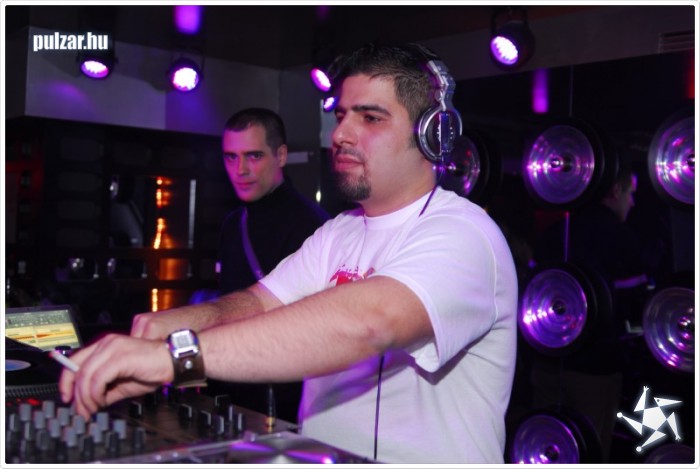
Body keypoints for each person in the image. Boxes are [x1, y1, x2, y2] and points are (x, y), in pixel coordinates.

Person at [58, 43, 519, 464]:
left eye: (370, 118)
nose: (341, 133)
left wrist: (176, 357)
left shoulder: (466, 235)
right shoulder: (338, 232)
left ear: (432, 135)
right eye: (342, 114)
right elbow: (258, 303)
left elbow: (370, 321)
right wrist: (174, 326)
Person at [211, 108, 329, 422]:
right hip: (234, 384)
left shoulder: (311, 225)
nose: (240, 170)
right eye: (231, 157)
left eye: (254, 156)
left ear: (281, 156)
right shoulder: (233, 223)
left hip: (283, 397)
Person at [530, 164, 653, 462]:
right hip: (596, 368)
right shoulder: (620, 238)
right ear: (616, 191)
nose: (632, 203)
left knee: (545, 444)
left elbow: (532, 294)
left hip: (546, 363)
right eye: (631, 194)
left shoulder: (557, 231)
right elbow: (635, 307)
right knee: (589, 449)